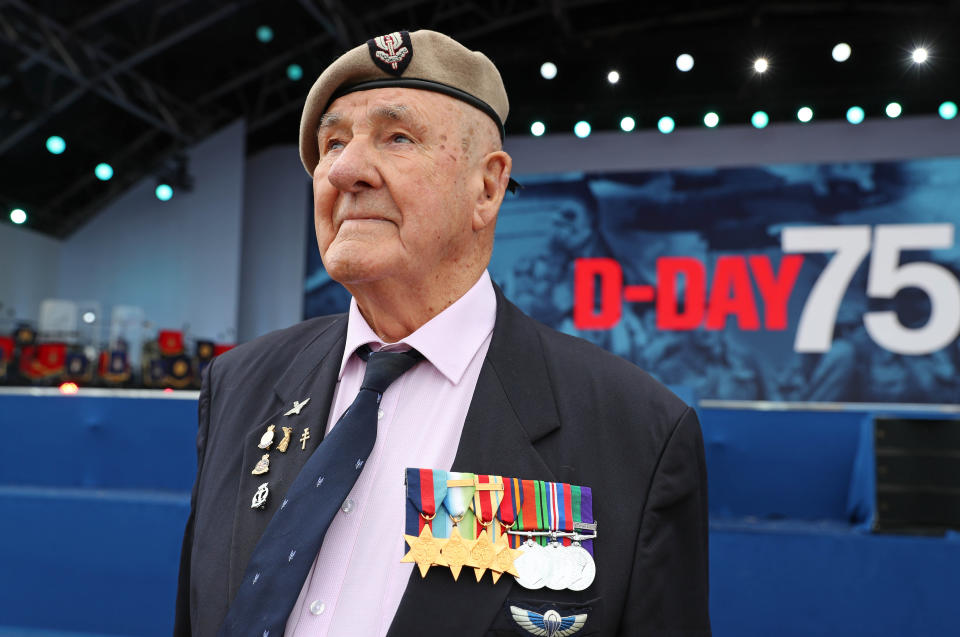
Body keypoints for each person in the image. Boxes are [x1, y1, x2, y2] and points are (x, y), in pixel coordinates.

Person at [175, 29, 709, 637]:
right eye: (331, 144)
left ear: (487, 187)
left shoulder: (636, 431)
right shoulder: (241, 385)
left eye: (397, 137)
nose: (344, 170)